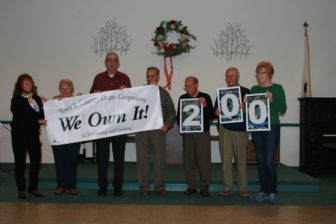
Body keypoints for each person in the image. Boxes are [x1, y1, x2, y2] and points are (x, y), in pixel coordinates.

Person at [90, 52, 131, 196]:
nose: (112, 63)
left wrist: (126, 92)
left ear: (118, 63)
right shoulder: (98, 78)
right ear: (105, 63)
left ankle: (118, 187)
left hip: (120, 125)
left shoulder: (125, 78)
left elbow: (131, 101)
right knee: (102, 159)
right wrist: (94, 94)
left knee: (119, 158)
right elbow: (90, 101)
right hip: (102, 126)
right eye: (109, 60)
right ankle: (102, 186)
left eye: (114, 60)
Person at [135, 67, 176, 196]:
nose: (150, 78)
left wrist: (167, 125)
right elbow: (130, 108)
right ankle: (144, 186)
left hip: (158, 130)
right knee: (142, 158)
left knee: (159, 158)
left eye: (153, 76)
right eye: (148, 76)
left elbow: (172, 114)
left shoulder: (164, 93)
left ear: (158, 77)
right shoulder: (139, 92)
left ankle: (159, 186)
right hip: (142, 129)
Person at [250, 61, 287, 203]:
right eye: (258, 73)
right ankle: (263, 190)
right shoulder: (254, 89)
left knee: (269, 161)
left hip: (272, 127)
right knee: (260, 161)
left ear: (270, 74)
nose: (259, 76)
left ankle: (272, 190)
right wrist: (244, 105)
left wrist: (271, 100)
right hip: (257, 128)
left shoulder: (277, 88)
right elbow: (252, 110)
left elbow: (282, 109)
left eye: (262, 73)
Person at [214, 67, 251, 198]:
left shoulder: (246, 92)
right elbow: (215, 111)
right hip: (225, 130)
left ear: (238, 77)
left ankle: (243, 188)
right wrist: (216, 112)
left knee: (241, 160)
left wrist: (244, 107)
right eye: (227, 76)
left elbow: (252, 110)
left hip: (240, 131)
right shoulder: (221, 93)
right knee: (226, 160)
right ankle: (227, 187)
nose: (229, 79)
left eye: (232, 76)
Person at [176, 76, 215, 196]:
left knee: (204, 160)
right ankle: (191, 185)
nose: (187, 88)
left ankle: (204, 186)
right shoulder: (183, 98)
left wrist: (205, 106)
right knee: (189, 161)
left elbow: (211, 117)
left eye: (189, 85)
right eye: (186, 86)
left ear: (196, 85)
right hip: (188, 134)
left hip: (202, 134)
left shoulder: (205, 97)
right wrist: (181, 127)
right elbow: (179, 117)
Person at [10, 74, 46, 199]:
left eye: (30, 83)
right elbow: (22, 116)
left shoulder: (36, 98)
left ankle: (33, 188)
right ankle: (21, 189)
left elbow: (41, 113)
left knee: (36, 162)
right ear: (20, 85)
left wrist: (46, 106)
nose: (29, 85)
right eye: (26, 83)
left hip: (33, 136)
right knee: (20, 163)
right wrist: (36, 121)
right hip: (19, 136)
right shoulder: (16, 99)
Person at [52, 79, 80, 196]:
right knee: (59, 161)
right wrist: (51, 103)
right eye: (62, 88)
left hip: (73, 136)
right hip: (58, 136)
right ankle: (60, 186)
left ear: (71, 89)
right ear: (59, 89)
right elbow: (47, 114)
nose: (64, 91)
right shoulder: (53, 102)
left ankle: (72, 186)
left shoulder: (77, 101)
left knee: (72, 161)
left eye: (67, 88)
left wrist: (82, 100)